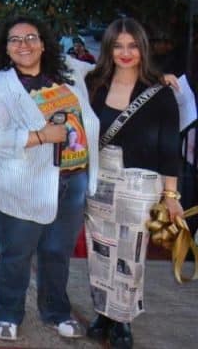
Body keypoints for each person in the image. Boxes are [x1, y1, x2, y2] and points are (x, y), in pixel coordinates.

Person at [0, 15, 99, 343]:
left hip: (72, 179)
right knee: (17, 252)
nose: (24, 45)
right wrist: (41, 135)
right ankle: (7, 311)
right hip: (22, 182)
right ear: (6, 48)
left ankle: (56, 311)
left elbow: (117, 67)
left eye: (31, 38)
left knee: (58, 251)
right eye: (15, 40)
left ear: (44, 43)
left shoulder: (69, 73)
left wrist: (163, 76)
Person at [83, 18, 182, 349]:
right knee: (99, 249)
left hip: (140, 183)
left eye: (132, 45)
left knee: (130, 252)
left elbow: (170, 148)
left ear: (143, 48)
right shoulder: (93, 84)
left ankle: (123, 317)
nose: (126, 53)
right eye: (117, 46)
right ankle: (103, 312)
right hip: (100, 178)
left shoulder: (161, 92)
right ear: (108, 49)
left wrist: (171, 195)